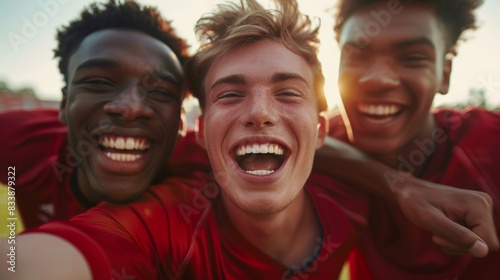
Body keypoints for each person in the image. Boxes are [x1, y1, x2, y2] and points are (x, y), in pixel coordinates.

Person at [1, 0, 363, 279]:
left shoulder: (355, 194)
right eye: (229, 94)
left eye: (287, 92)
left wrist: (394, 185)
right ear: (201, 131)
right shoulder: (176, 214)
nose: (130, 109)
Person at [317, 0, 500, 278]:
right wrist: (401, 186)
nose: (377, 79)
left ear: (444, 74)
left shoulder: (489, 142)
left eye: (413, 57)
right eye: (356, 55)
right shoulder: (325, 138)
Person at [0, 0, 200, 230]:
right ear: (64, 104)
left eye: (160, 91)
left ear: (180, 120)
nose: (131, 108)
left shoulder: (211, 167)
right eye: (99, 82)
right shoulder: (18, 141)